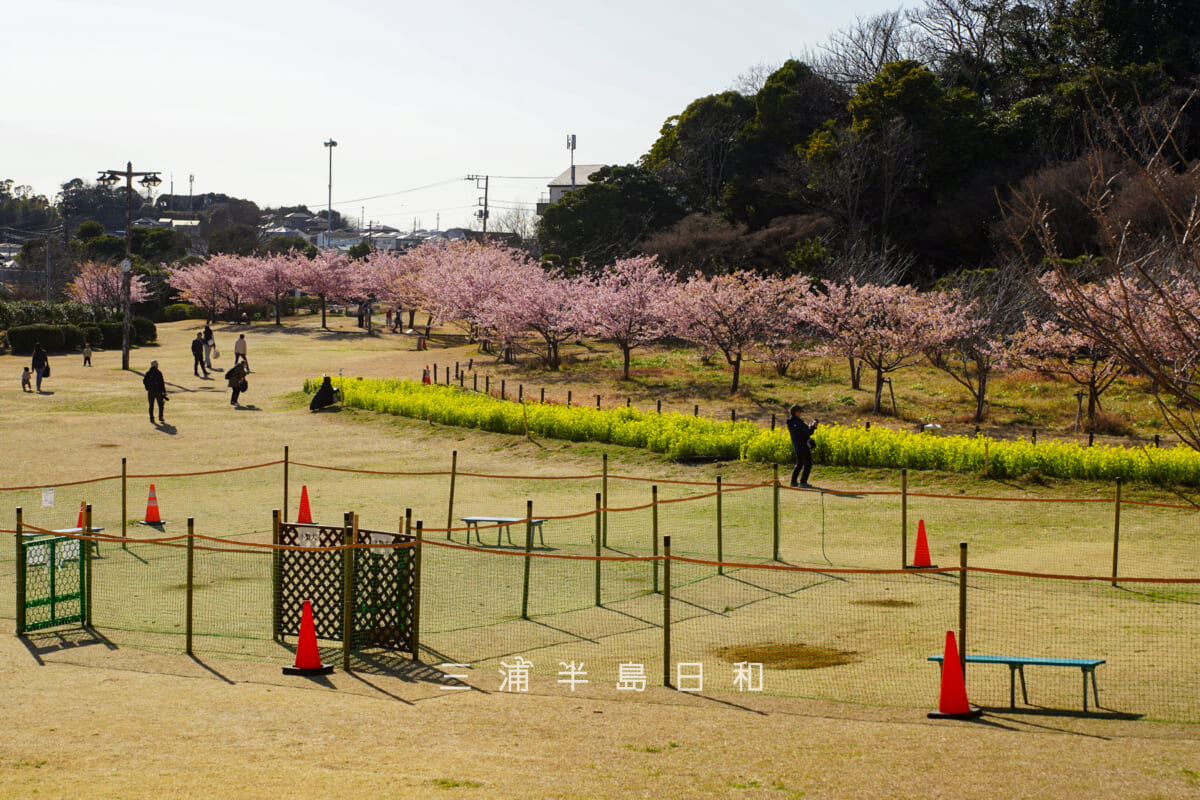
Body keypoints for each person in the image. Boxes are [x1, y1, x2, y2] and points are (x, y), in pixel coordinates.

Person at [787, 404, 818, 488]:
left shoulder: (790, 422)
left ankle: (793, 482)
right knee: (808, 464)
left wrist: (810, 426)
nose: (800, 413)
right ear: (796, 412)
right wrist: (813, 426)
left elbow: (803, 430)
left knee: (799, 464)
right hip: (804, 446)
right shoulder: (798, 422)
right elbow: (808, 432)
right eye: (800, 412)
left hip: (796, 447)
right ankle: (803, 482)